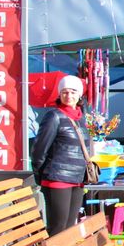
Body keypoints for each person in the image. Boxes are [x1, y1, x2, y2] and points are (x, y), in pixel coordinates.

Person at [31, 75, 92, 235]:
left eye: (73, 92)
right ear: (59, 95)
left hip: (78, 179)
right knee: (58, 227)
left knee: (70, 227)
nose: (69, 96)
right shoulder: (54, 116)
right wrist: (40, 174)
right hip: (57, 178)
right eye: (64, 92)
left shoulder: (81, 119)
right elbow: (39, 148)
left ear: (79, 95)